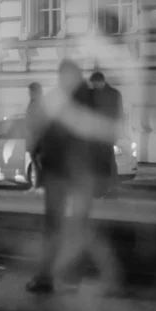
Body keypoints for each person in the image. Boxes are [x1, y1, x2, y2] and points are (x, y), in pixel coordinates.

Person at [26, 60, 99, 294]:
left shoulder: (58, 99)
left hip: (61, 172)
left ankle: (48, 277)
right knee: (75, 227)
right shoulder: (89, 99)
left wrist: (40, 155)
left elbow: (44, 133)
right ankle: (70, 277)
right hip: (79, 173)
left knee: (54, 226)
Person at [90, 71, 125, 199]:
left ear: (100, 81)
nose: (93, 87)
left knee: (107, 161)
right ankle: (105, 188)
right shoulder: (112, 93)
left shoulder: (112, 94)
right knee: (103, 161)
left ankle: (109, 188)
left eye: (94, 84)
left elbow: (118, 114)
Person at [25, 82, 46, 193]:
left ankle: (42, 186)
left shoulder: (41, 104)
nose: (29, 93)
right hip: (33, 140)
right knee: (35, 164)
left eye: (30, 91)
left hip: (39, 140)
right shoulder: (33, 103)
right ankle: (37, 185)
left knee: (40, 164)